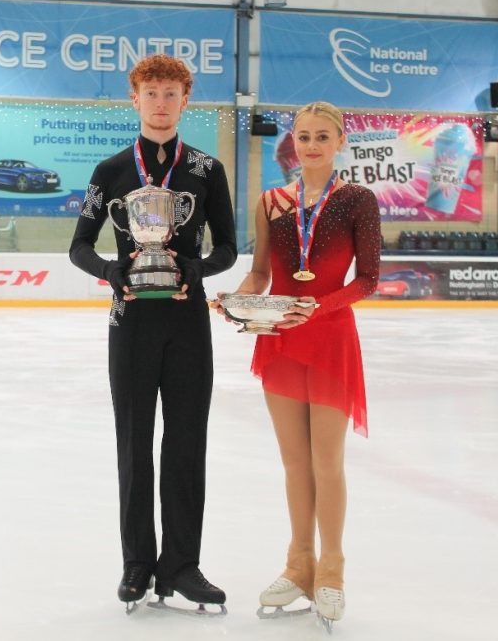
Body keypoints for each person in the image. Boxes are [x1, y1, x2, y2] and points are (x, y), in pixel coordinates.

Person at [69, 54, 237, 612]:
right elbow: (79, 246)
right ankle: (138, 562)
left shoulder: (208, 171)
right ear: (134, 98)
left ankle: (182, 566)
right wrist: (110, 272)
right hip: (132, 322)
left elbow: (229, 248)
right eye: (151, 92)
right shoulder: (110, 171)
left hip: (188, 322)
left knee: (187, 445)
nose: (161, 102)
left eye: (171, 93)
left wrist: (197, 268)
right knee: (135, 445)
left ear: (186, 100)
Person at [215, 101, 381, 628]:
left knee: (326, 462)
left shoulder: (357, 200)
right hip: (282, 340)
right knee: (293, 463)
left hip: (330, 338)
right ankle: (298, 563)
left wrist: (320, 306)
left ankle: (331, 571)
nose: (310, 145)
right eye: (303, 137)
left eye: (321, 137)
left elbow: (368, 280)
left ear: (338, 143)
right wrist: (236, 300)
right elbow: (261, 272)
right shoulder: (272, 202)